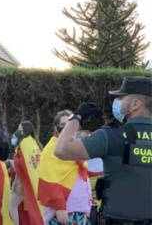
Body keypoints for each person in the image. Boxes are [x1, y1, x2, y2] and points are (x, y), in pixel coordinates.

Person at [54, 76, 152, 224]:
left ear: (135, 104)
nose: (116, 102)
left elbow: (61, 149)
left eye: (121, 97)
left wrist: (77, 116)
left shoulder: (110, 136)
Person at [38, 110, 92, 225]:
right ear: (55, 127)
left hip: (80, 209)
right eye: (62, 125)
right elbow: (50, 181)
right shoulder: (51, 150)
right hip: (65, 211)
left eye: (69, 124)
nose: (66, 127)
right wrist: (59, 208)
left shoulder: (75, 146)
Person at [8, 120, 43, 225]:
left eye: (19, 129)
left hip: (22, 182)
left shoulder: (24, 143)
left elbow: (23, 164)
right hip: (31, 180)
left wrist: (12, 162)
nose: (17, 131)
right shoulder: (33, 142)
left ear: (24, 131)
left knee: (12, 206)